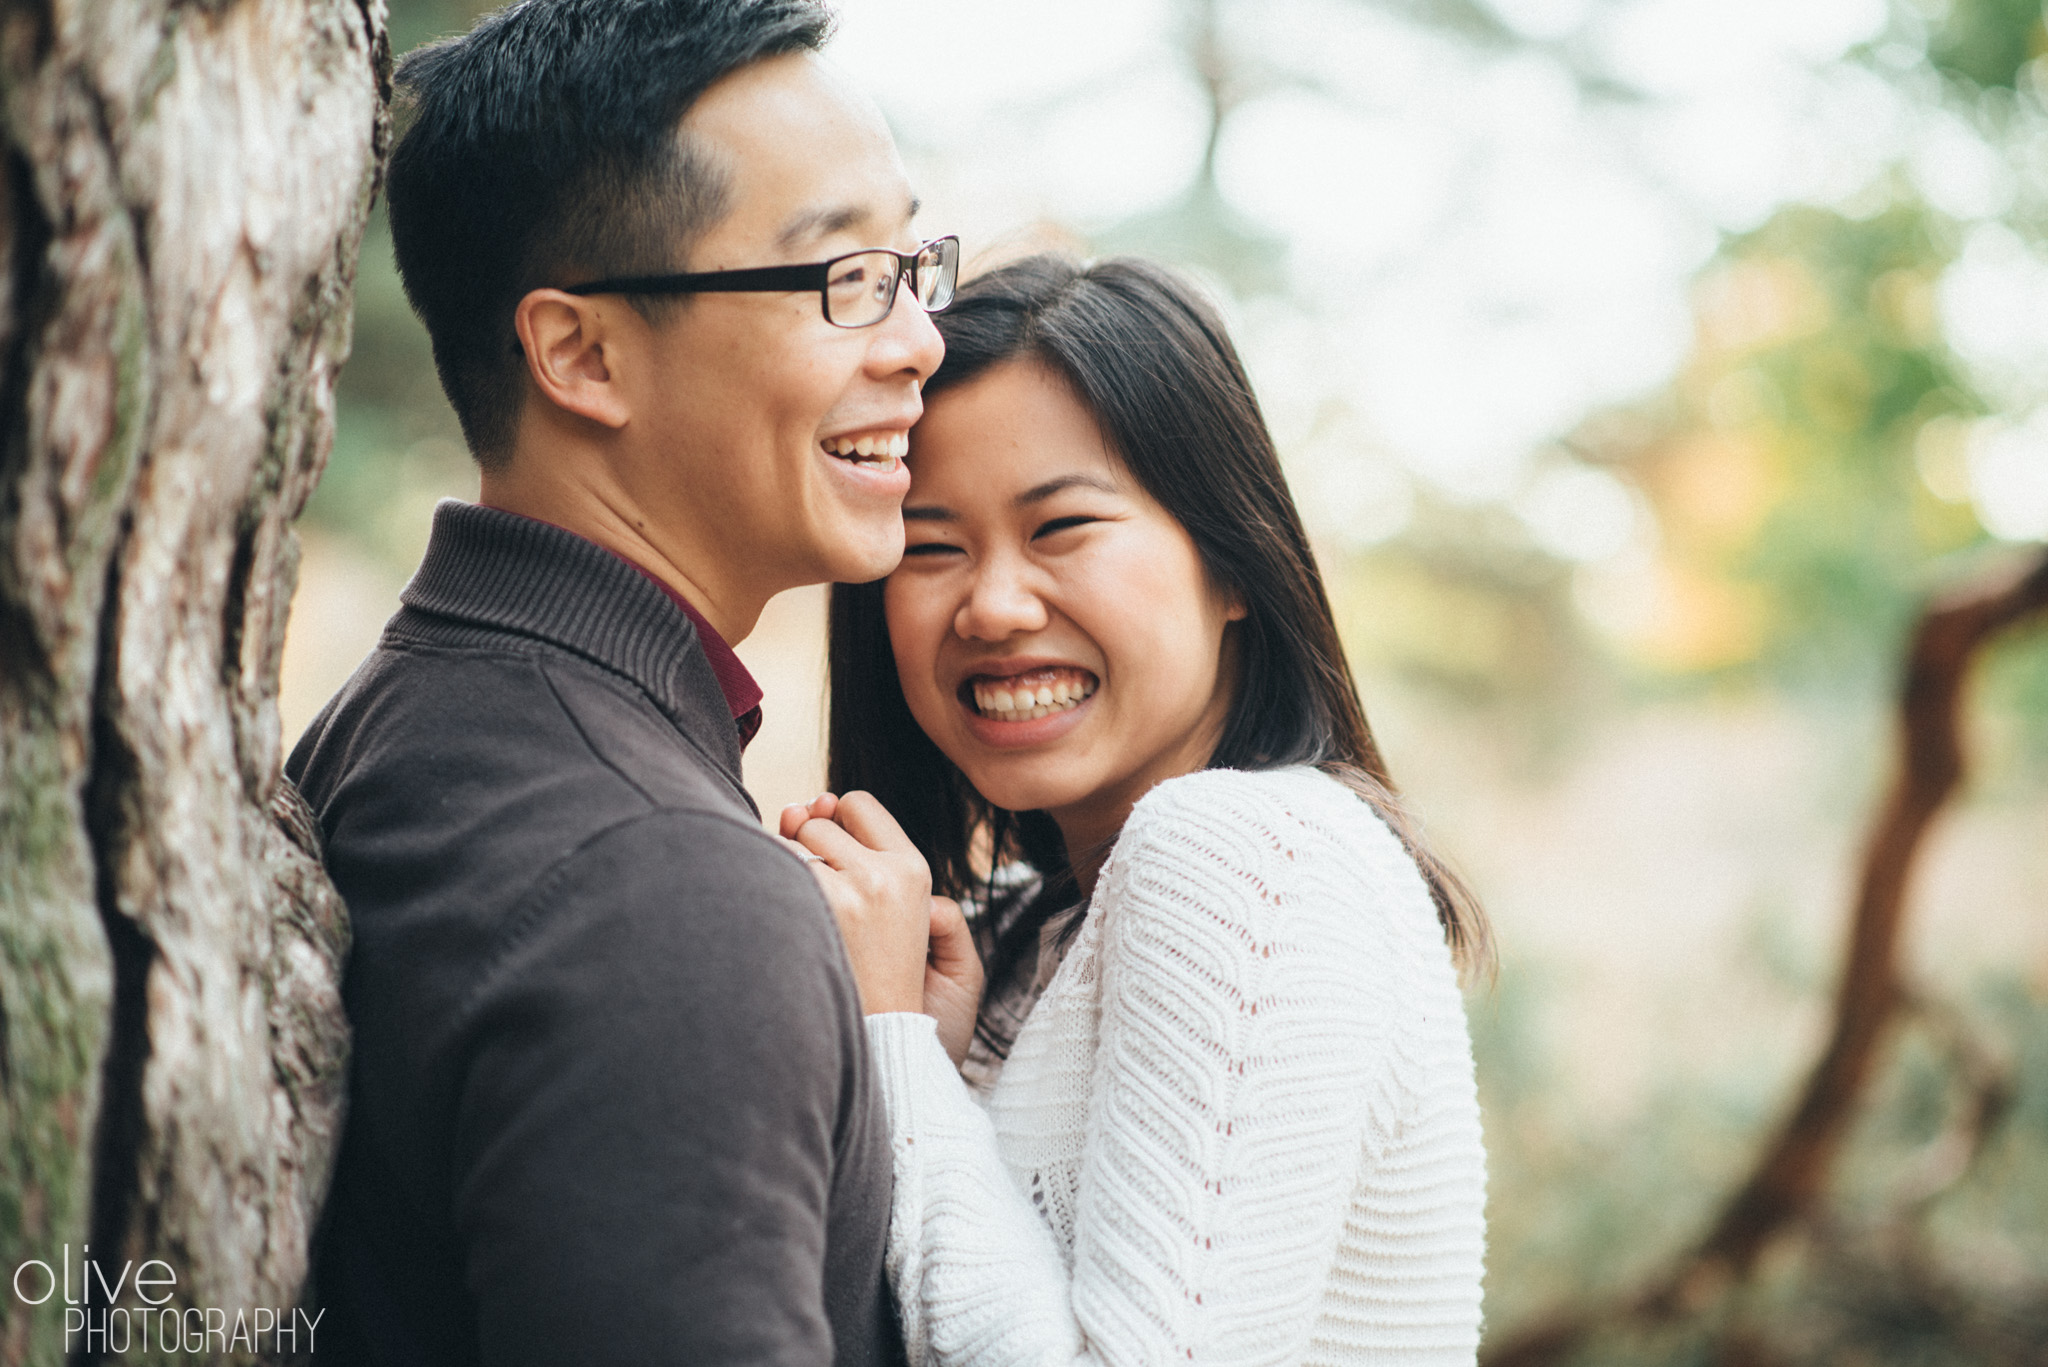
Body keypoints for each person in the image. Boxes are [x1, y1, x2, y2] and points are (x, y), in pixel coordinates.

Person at [285, 1, 954, 1362]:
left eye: (911, 263)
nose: (918, 341)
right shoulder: (660, 885)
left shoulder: (410, 713)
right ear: (581, 354)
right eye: (841, 276)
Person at [782, 255, 1492, 1365]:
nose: (995, 604)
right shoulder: (1033, 927)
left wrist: (893, 1047)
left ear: (1232, 563)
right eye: (929, 547)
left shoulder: (1243, 851)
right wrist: (948, 1057)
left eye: (1060, 527)